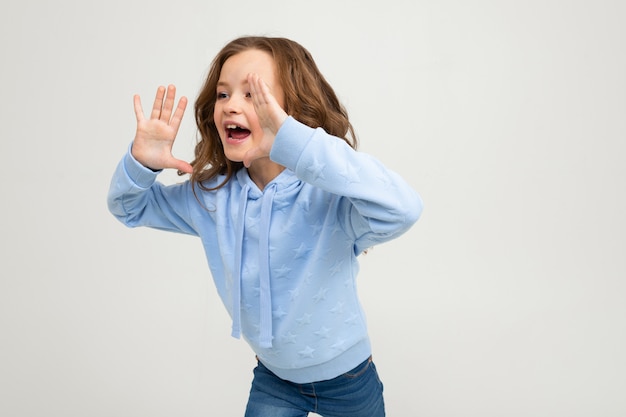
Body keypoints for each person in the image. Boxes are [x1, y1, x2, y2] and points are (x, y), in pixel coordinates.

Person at [108, 36, 423, 417]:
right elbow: (129, 207)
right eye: (223, 95)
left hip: (349, 379)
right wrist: (144, 163)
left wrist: (296, 143)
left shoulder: (328, 197)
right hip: (275, 380)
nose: (231, 106)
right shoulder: (212, 197)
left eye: (253, 94)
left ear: (292, 112)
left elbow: (403, 209)